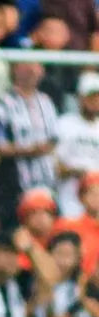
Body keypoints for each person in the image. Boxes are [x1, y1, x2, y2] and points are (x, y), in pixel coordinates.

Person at [55, 72, 99, 219]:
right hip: (69, 196)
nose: (95, 101)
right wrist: (76, 171)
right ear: (80, 98)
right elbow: (54, 164)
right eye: (91, 97)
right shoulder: (64, 124)